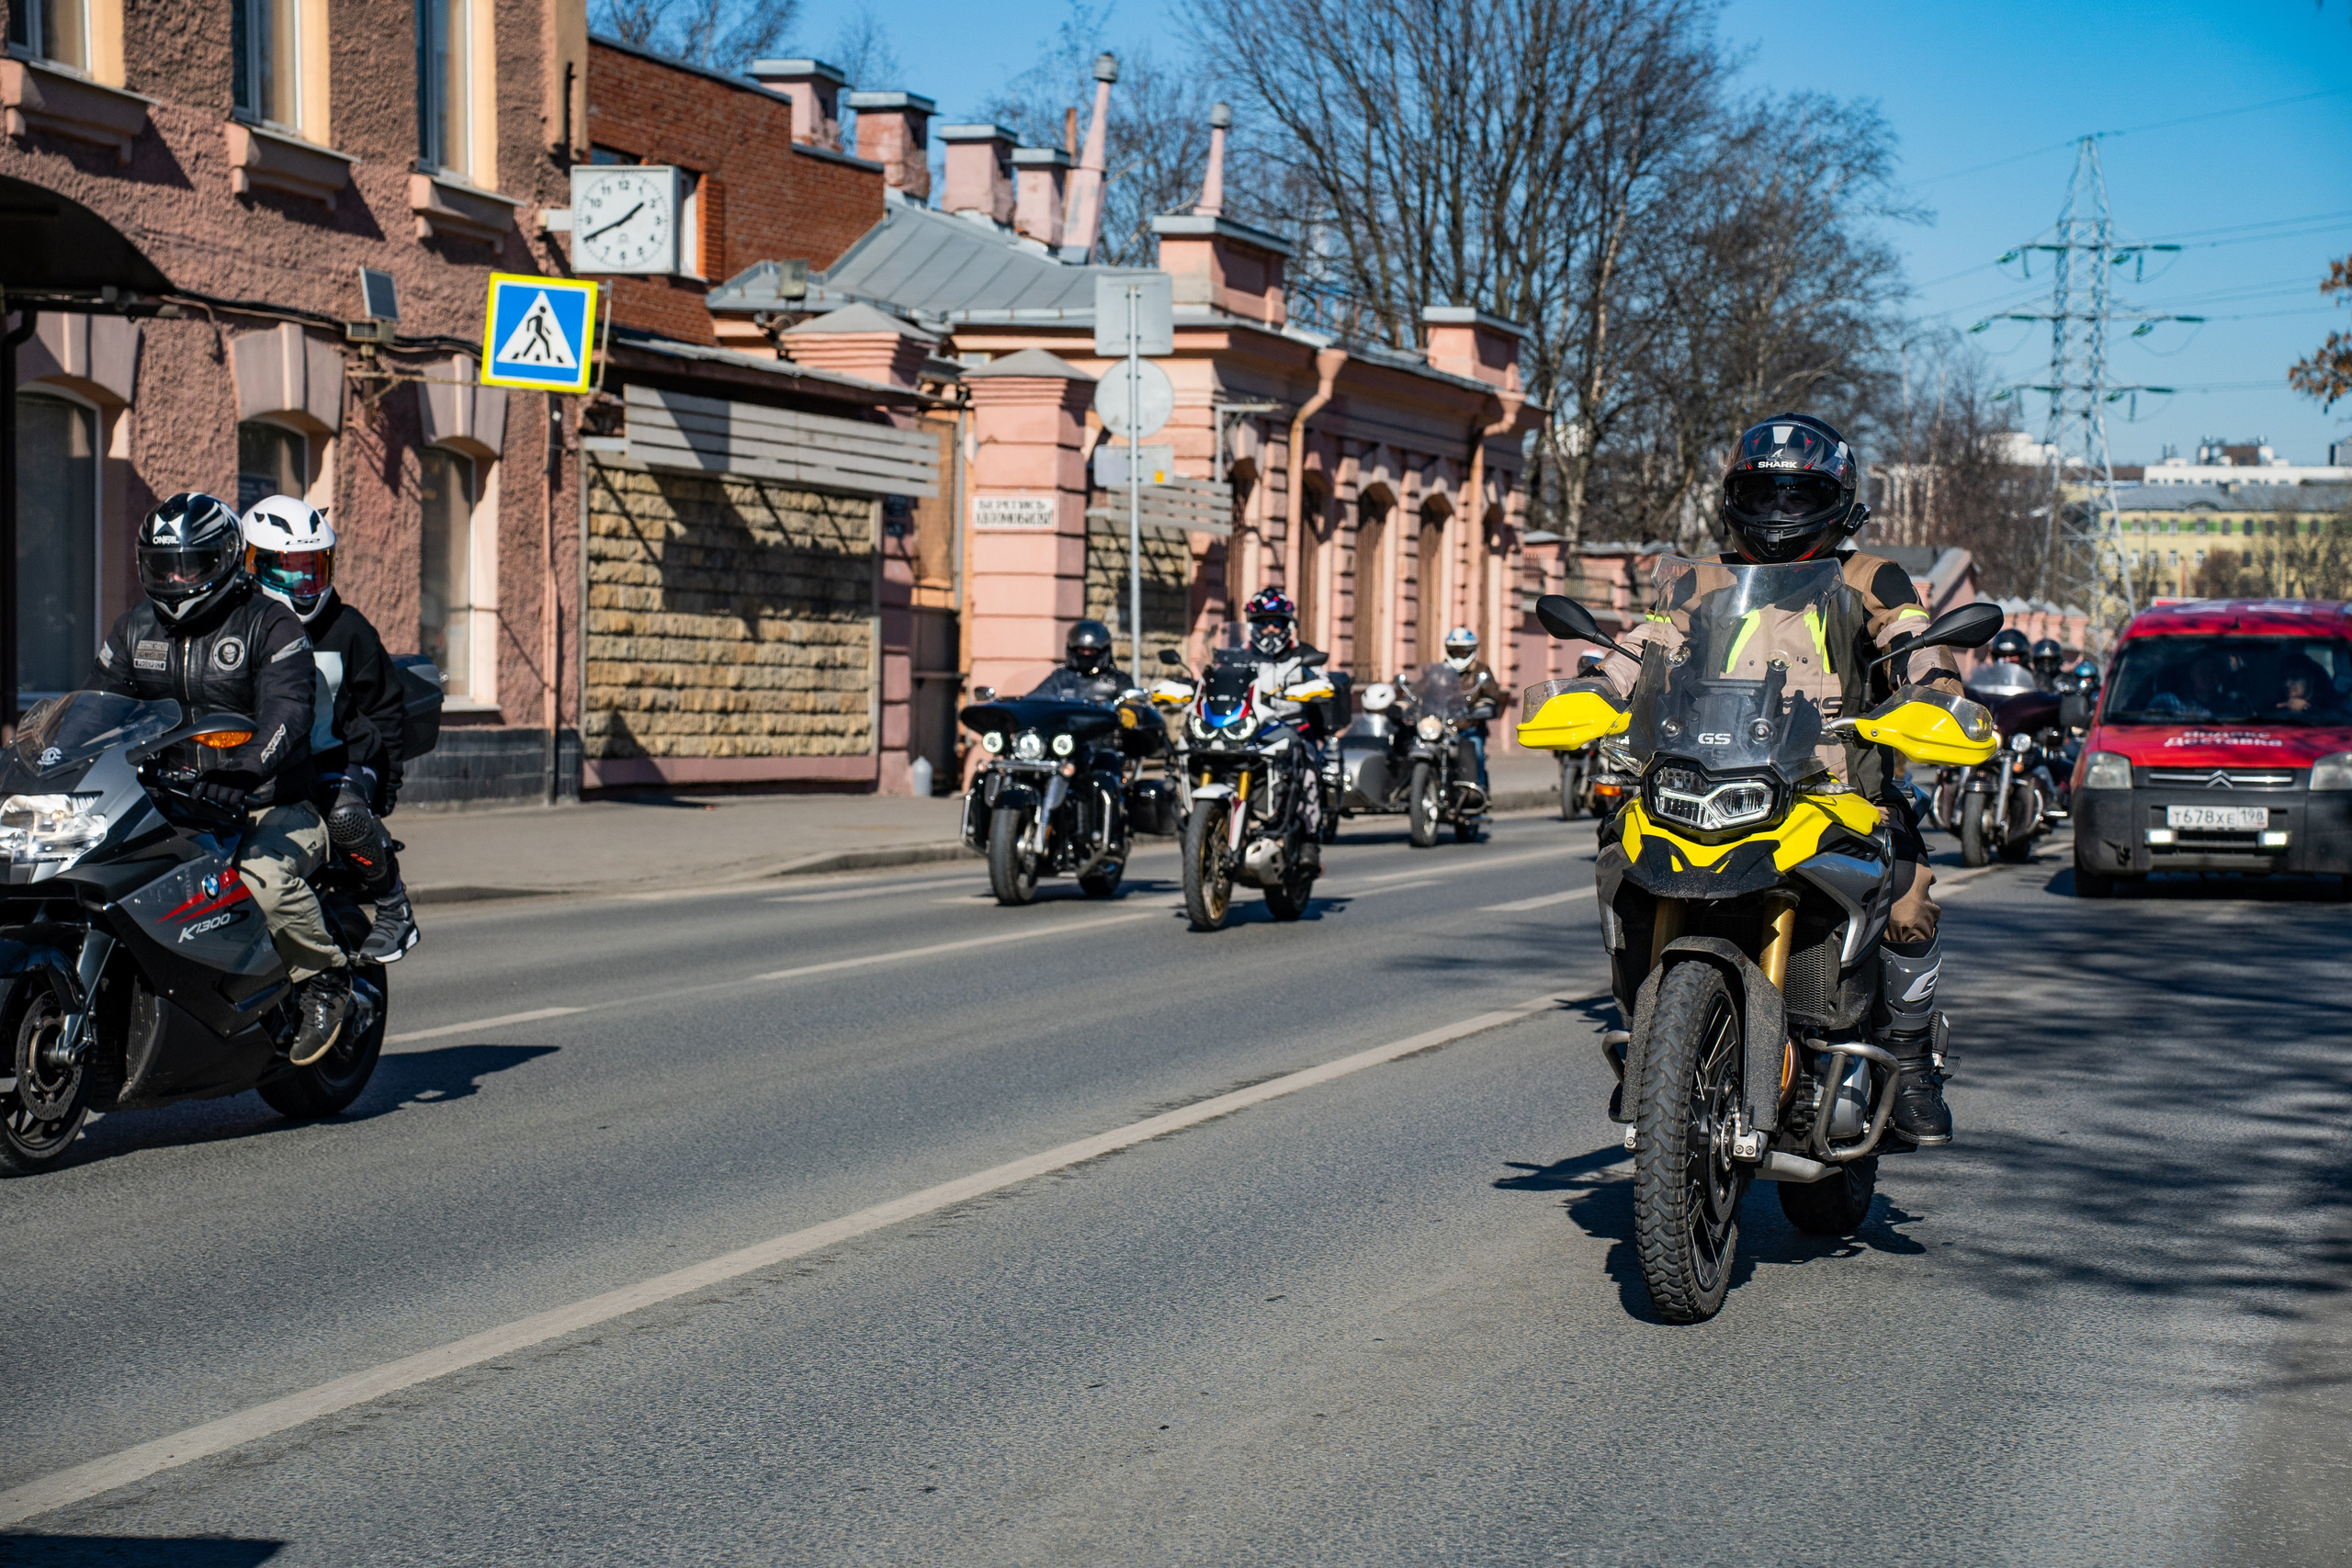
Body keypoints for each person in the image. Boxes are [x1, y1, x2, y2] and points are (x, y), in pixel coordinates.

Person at [1589, 413, 1962, 1145]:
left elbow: (1910, 638)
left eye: (1797, 497)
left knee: (1911, 896)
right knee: (1619, 856)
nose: (1778, 514)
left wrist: (1936, 689)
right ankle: (1655, 1033)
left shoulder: (1867, 576)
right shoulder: (1700, 580)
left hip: (1838, 793)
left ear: (1837, 500)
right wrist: (1598, 689)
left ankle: (1912, 1065)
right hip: (1708, 777)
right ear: (1734, 500)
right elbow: (1646, 643)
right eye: (1763, 497)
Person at [88, 493, 351, 1064]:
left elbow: (289, 711)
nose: (179, 577)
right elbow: (96, 708)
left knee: (264, 878)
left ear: (227, 558)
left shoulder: (270, 623)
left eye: (193, 562)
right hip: (166, 803)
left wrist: (249, 767)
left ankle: (323, 980)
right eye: (166, 566)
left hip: (268, 803)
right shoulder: (134, 630)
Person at [242, 495, 420, 962]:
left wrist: (385, 785)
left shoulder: (349, 628)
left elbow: (386, 705)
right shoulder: (242, 627)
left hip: (338, 761)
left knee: (345, 816)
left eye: (314, 568)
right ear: (252, 563)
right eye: (290, 570)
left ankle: (394, 906)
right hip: (266, 767)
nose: (304, 583)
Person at [1439, 626, 1507, 792]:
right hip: (1442, 726)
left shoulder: (1481, 671)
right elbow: (1425, 689)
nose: (1459, 655)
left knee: (1475, 752)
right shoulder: (1440, 670)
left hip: (1470, 727)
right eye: (1455, 651)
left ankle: (1478, 790)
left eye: (1463, 651)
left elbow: (1492, 693)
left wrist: (1484, 704)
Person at [1024, 618, 1129, 705]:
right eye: (1081, 650)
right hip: (1065, 729)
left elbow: (1132, 705)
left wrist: (1129, 710)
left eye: (1092, 651)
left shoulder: (1119, 681)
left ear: (1103, 651)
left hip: (1104, 730)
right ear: (1072, 650)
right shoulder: (1060, 679)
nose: (1086, 655)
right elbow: (1034, 701)